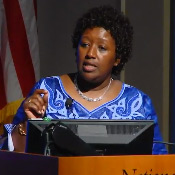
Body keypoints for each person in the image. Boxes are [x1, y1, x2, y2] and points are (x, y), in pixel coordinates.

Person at [3, 5, 167, 154]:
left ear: (118, 58)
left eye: (101, 48)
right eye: (85, 45)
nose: (90, 54)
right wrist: (26, 125)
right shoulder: (47, 90)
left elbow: (158, 161)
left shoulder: (137, 103)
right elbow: (9, 157)